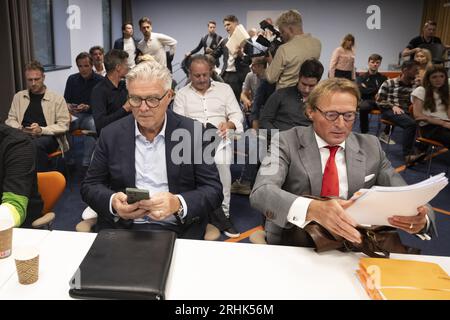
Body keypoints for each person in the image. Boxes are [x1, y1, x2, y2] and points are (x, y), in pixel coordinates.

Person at [250, 78, 436, 246]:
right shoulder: (284, 141)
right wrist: (313, 209)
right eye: (331, 115)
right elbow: (262, 192)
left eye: (348, 115)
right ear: (310, 112)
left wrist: (422, 218)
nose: (340, 124)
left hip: (354, 244)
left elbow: (405, 194)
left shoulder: (371, 146)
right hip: (296, 242)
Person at [81, 60, 223, 239]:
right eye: (135, 99)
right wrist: (113, 202)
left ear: (169, 96)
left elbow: (213, 190)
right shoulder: (111, 134)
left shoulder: (192, 133)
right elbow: (90, 186)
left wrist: (178, 203)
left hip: (178, 230)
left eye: (153, 99)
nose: (143, 108)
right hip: (122, 229)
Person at [173, 54, 243, 238]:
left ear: (210, 71)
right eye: (197, 76)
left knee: (221, 164)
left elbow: (237, 114)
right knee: (190, 168)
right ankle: (209, 215)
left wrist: (229, 124)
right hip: (193, 140)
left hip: (220, 137)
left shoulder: (224, 89)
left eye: (205, 74)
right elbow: (178, 122)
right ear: (189, 74)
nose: (202, 79)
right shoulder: (182, 95)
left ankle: (224, 213)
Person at [6, 60, 70, 171]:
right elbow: (10, 119)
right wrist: (20, 128)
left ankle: (41, 180)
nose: (33, 83)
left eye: (37, 79)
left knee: (34, 145)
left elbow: (63, 125)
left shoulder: (57, 99)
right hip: (23, 134)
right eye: (30, 80)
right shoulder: (19, 97)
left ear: (43, 78)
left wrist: (41, 130)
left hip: (48, 136)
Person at [377, 60, 422, 165]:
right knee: (411, 124)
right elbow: (379, 100)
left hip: (406, 111)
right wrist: (393, 106)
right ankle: (408, 156)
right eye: (415, 71)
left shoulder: (415, 85)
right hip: (389, 110)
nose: (417, 73)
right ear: (405, 70)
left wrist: (421, 87)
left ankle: (419, 150)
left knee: (426, 121)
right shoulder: (389, 82)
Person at [260, 58, 324, 132]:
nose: (306, 89)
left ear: (318, 83)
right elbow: (264, 121)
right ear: (298, 77)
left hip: (304, 141)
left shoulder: (321, 102)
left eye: (311, 86)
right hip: (279, 139)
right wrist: (279, 136)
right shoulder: (281, 94)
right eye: (304, 84)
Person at [64, 52, 103, 170]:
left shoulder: (100, 80)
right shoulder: (72, 79)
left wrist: (88, 107)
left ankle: (86, 162)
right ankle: (69, 160)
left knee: (92, 125)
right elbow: (65, 100)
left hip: (91, 115)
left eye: (86, 66)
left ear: (92, 66)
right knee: (63, 124)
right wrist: (69, 106)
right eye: (80, 66)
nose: (83, 69)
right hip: (75, 114)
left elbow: (102, 105)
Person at [265, 9, 321, 90]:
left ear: (290, 29)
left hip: (284, 95)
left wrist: (270, 61)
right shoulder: (317, 44)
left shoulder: (284, 49)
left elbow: (271, 78)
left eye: (283, 32)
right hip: (306, 93)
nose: (282, 36)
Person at [0, 125, 43, 228]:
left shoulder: (18, 144)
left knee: (41, 146)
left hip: (18, 229)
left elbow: (15, 207)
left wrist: (41, 129)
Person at [91, 49, 131, 135]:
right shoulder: (98, 91)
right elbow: (100, 124)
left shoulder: (125, 86)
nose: (128, 67)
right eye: (126, 64)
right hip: (111, 138)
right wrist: (124, 109)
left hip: (128, 132)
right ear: (118, 67)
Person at [212, 15, 252, 101]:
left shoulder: (247, 40)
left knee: (235, 101)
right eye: (225, 25)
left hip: (238, 75)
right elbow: (215, 55)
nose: (226, 27)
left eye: (228, 24)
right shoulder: (224, 41)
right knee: (223, 100)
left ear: (236, 24)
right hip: (225, 75)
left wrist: (241, 54)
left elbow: (250, 60)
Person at [412, 64, 450, 148]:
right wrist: (443, 123)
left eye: (442, 76)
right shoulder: (421, 90)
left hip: (445, 125)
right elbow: (418, 116)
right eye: (434, 77)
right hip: (430, 127)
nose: (438, 79)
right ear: (428, 79)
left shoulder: (445, 93)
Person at [356, 53, 388, 134]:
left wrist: (367, 88)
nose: (375, 64)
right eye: (372, 62)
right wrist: (377, 90)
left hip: (380, 101)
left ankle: (386, 133)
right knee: (363, 107)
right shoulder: (361, 77)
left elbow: (386, 91)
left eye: (377, 62)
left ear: (380, 64)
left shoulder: (383, 78)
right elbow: (361, 91)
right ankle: (364, 132)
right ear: (368, 63)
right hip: (368, 101)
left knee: (394, 108)